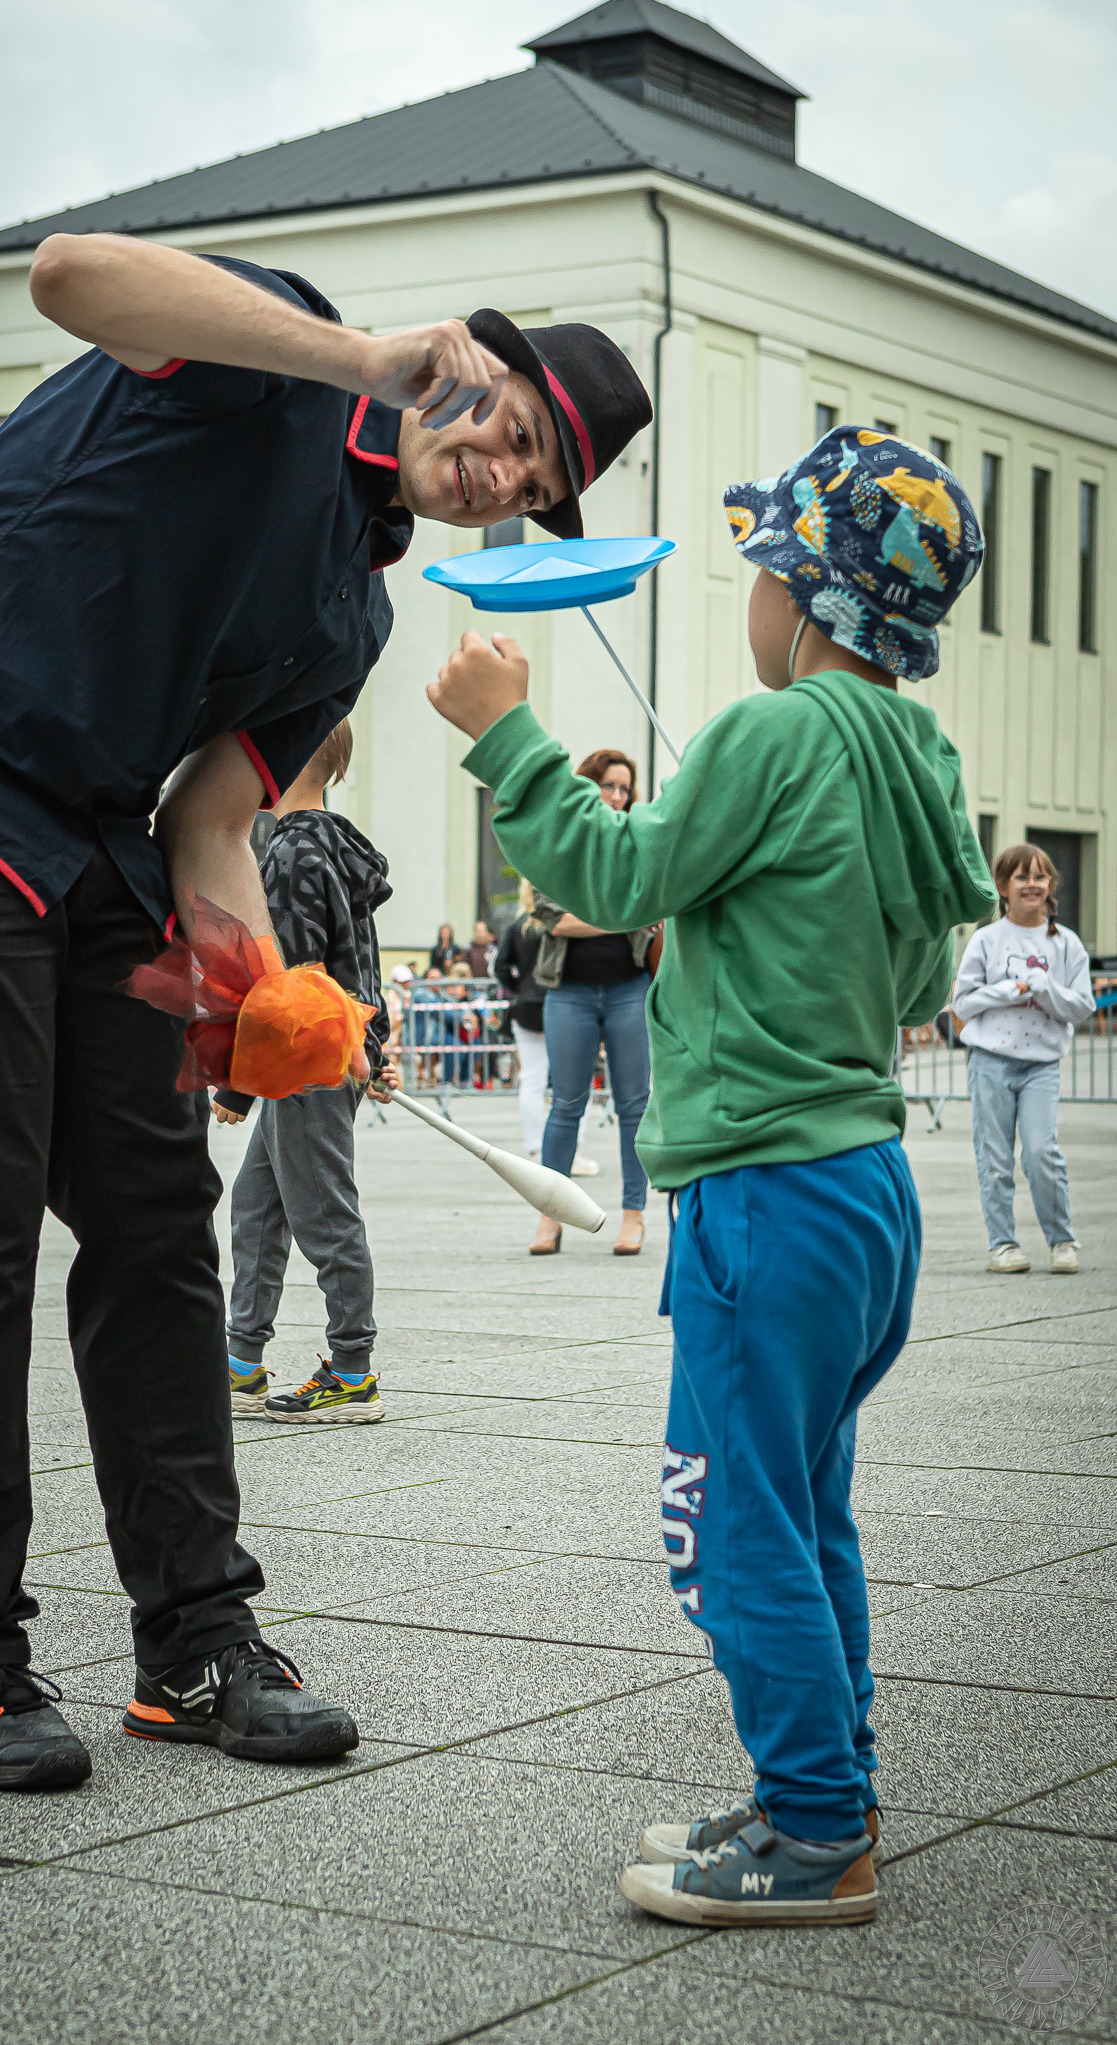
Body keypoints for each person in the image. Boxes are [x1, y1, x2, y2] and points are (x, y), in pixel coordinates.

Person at [0, 231, 650, 1793]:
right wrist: (362, 354)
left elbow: (212, 830)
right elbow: (67, 278)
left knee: (159, 1215)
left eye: (532, 481)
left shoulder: (352, 623)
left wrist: (268, 1003)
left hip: (91, 823)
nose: (497, 474)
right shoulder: (288, 350)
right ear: (477, 360)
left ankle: (194, 1641)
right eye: (510, 428)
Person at [429, 426, 994, 1926]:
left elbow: (613, 881)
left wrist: (506, 735)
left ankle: (817, 1833)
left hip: (762, 1192)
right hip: (866, 1190)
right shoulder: (919, 754)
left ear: (809, 597)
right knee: (806, 1509)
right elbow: (923, 964)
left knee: (726, 1524)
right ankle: (830, 1785)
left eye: (761, 565)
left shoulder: (774, 732)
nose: (749, 592)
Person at [216, 719, 395, 1422]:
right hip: (326, 1054)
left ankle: (352, 1370)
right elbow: (360, 968)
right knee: (258, 1206)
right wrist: (373, 1044)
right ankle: (239, 1361)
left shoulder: (290, 850)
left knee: (323, 1213)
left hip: (308, 1060)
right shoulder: (335, 844)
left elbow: (291, 983)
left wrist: (237, 1080)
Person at [528, 750, 655, 1257]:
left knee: (633, 1106)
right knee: (565, 1105)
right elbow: (552, 917)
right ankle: (550, 1217)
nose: (618, 796)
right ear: (588, 787)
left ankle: (633, 1215)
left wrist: (609, 913)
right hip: (570, 992)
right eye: (609, 786)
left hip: (629, 988)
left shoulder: (636, 843)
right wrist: (625, 914)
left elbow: (652, 897)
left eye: (625, 788)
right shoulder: (558, 843)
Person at [953, 843, 1093, 1274]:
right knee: (994, 1157)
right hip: (990, 1062)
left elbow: (1081, 1006)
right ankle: (1003, 1245)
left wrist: (1043, 987)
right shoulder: (986, 939)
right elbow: (962, 1003)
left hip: (1041, 1066)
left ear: (1050, 885)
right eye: (1021, 877)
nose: (1031, 885)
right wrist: (1007, 989)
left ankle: (1062, 1241)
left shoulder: (1065, 943)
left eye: (1039, 877)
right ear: (1002, 886)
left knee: (1040, 1152)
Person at [496, 878, 548, 1155]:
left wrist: (518, 989)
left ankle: (533, 1144)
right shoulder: (560, 926)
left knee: (532, 1078)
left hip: (526, 1005)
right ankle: (573, 1147)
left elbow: (500, 966)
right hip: (558, 1003)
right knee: (570, 1081)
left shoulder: (517, 928)